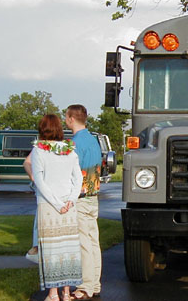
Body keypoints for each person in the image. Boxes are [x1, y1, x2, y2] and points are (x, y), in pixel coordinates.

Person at [31, 114, 83, 301]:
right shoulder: (70, 150)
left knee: (51, 251)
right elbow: (78, 178)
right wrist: (71, 200)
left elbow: (40, 180)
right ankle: (67, 292)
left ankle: (53, 293)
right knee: (68, 249)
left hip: (49, 206)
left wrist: (57, 204)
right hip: (69, 207)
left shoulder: (39, 150)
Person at [65, 104, 103, 300]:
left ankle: (85, 286)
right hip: (93, 196)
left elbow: (71, 172)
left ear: (71, 118)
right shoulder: (93, 140)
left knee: (83, 244)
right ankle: (95, 283)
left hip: (80, 197)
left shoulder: (75, 143)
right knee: (93, 241)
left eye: (66, 117)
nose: (65, 120)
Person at [24, 153, 39, 263]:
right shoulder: (39, 148)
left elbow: (26, 162)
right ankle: (36, 248)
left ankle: (36, 248)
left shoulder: (39, 148)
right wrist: (34, 177)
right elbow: (27, 163)